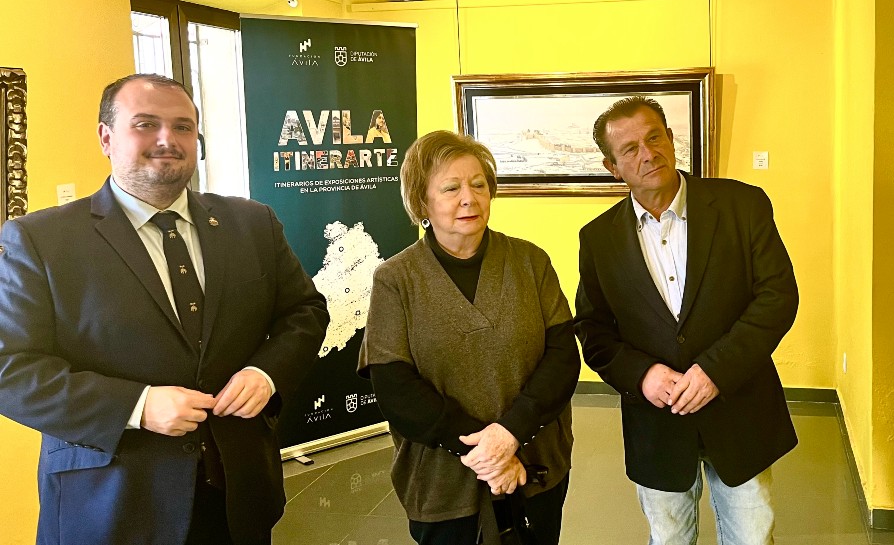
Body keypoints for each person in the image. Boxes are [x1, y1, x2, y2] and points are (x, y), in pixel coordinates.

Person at [0, 74, 330, 545]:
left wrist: (267, 373)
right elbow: (10, 369)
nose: (167, 139)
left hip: (238, 494)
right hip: (112, 503)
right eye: (146, 124)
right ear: (106, 137)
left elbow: (305, 311)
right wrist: (137, 406)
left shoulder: (252, 223)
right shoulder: (41, 240)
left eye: (183, 127)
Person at [574, 96, 799, 545]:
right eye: (631, 149)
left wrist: (715, 370)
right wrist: (643, 375)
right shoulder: (598, 238)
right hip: (657, 422)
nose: (648, 153)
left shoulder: (742, 204)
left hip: (739, 409)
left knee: (753, 538)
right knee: (669, 538)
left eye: (654, 137)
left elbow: (777, 298)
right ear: (612, 167)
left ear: (672, 138)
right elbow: (594, 331)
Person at [359, 130, 578, 545]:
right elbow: (395, 389)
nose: (469, 198)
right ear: (422, 202)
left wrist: (510, 434)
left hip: (535, 464)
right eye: (451, 188)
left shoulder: (530, 261)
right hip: (442, 480)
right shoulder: (395, 280)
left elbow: (563, 358)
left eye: (478, 185)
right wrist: (487, 453)